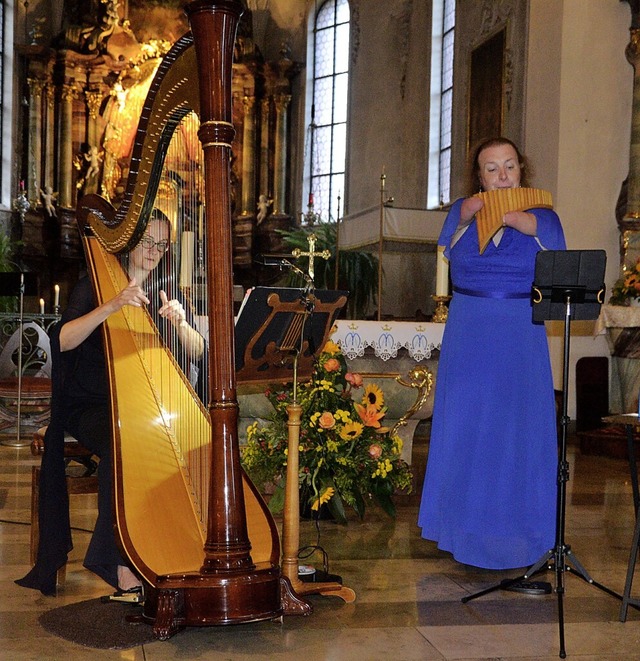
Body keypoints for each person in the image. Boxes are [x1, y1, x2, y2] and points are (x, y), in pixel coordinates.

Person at [17, 209, 204, 597]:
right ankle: (119, 564)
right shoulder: (93, 287)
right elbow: (63, 340)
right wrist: (113, 305)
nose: (153, 250)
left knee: (189, 442)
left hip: (141, 406)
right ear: (130, 242)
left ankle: (172, 547)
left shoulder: (167, 292)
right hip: (89, 405)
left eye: (161, 244)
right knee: (125, 446)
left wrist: (183, 324)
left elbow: (200, 354)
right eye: (147, 241)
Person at [417, 137, 566, 570]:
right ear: (478, 176)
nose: (502, 177)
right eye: (491, 169)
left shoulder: (543, 216)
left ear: (522, 170)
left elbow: (558, 254)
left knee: (515, 429)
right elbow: (447, 248)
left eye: (510, 167)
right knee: (469, 428)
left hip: (519, 333)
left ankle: (523, 534)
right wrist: (464, 216)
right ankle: (464, 530)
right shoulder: (463, 211)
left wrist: (526, 223)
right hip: (469, 333)